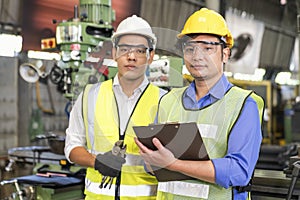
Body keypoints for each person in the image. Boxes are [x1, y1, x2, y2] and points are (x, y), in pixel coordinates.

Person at [134, 8, 264, 200]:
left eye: (207, 48)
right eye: (190, 48)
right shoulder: (167, 101)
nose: (197, 56)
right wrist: (152, 158)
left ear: (225, 54)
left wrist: (172, 164)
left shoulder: (244, 104)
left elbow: (238, 171)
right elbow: (150, 165)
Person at [65, 15, 167, 200]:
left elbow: (173, 162)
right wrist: (96, 162)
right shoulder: (89, 96)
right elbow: (72, 147)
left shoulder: (165, 102)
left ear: (150, 56)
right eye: (125, 49)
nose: (131, 57)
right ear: (114, 53)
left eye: (140, 51)